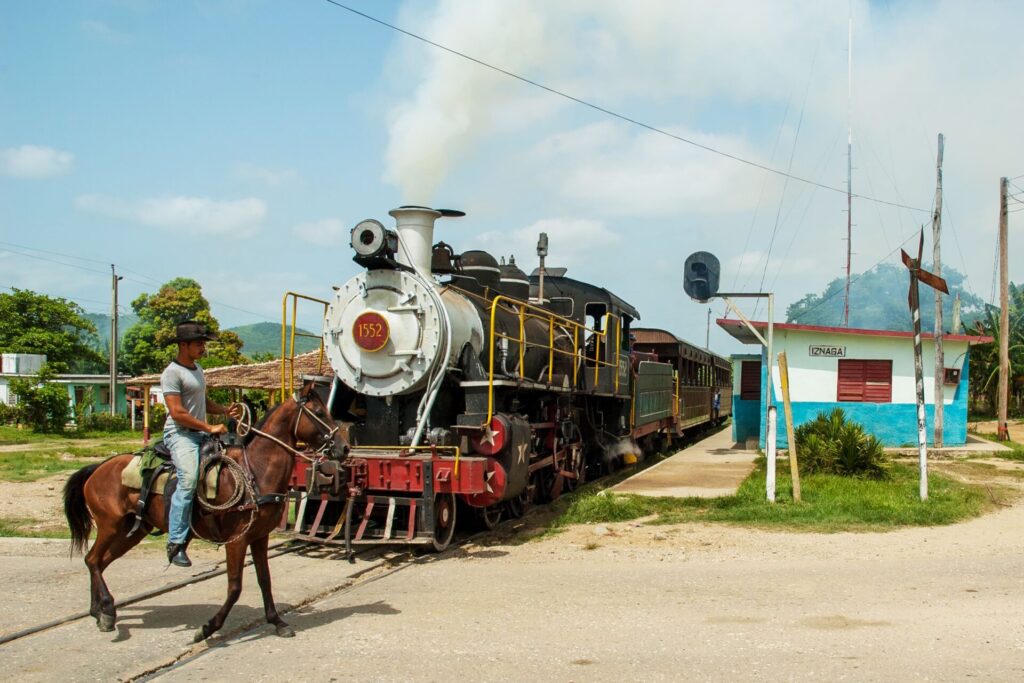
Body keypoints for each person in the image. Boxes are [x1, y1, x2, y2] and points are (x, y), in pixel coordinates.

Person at [160, 320, 241, 568]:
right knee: (189, 479)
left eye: (203, 343)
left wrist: (224, 410)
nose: (203, 348)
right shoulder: (171, 373)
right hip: (180, 434)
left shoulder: (197, 369)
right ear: (183, 345)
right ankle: (176, 543)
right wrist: (209, 427)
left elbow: (202, 402)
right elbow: (177, 412)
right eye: (199, 343)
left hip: (200, 434)